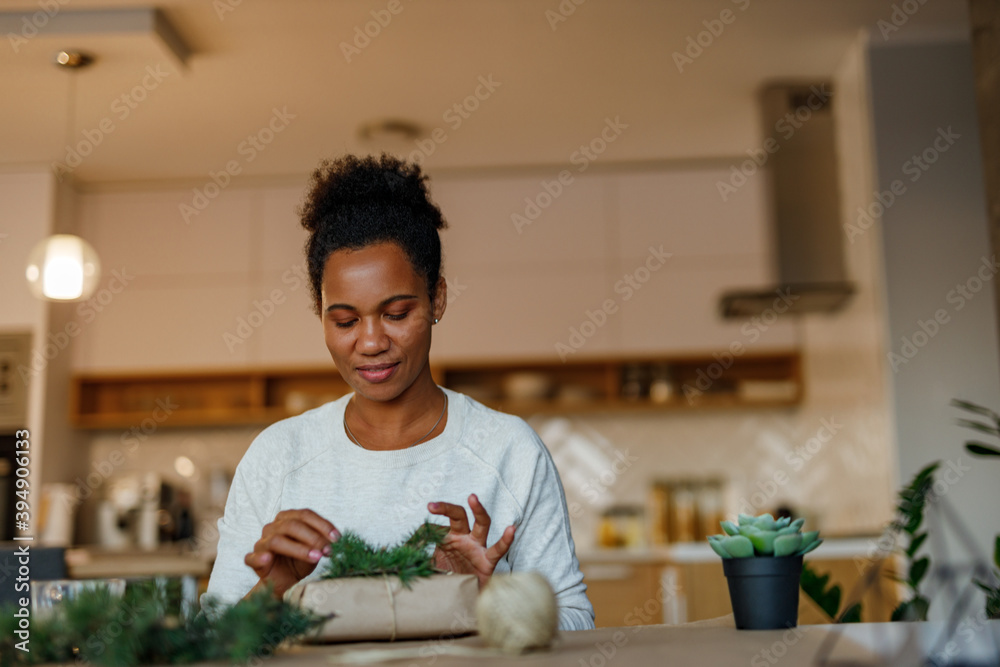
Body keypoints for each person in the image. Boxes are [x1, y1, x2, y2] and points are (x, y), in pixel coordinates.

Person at [202, 153, 595, 630]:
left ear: (438, 299)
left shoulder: (508, 450)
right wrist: (275, 587)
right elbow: (211, 645)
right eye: (345, 320)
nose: (370, 342)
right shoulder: (277, 457)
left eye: (396, 313)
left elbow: (579, 627)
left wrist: (487, 597)